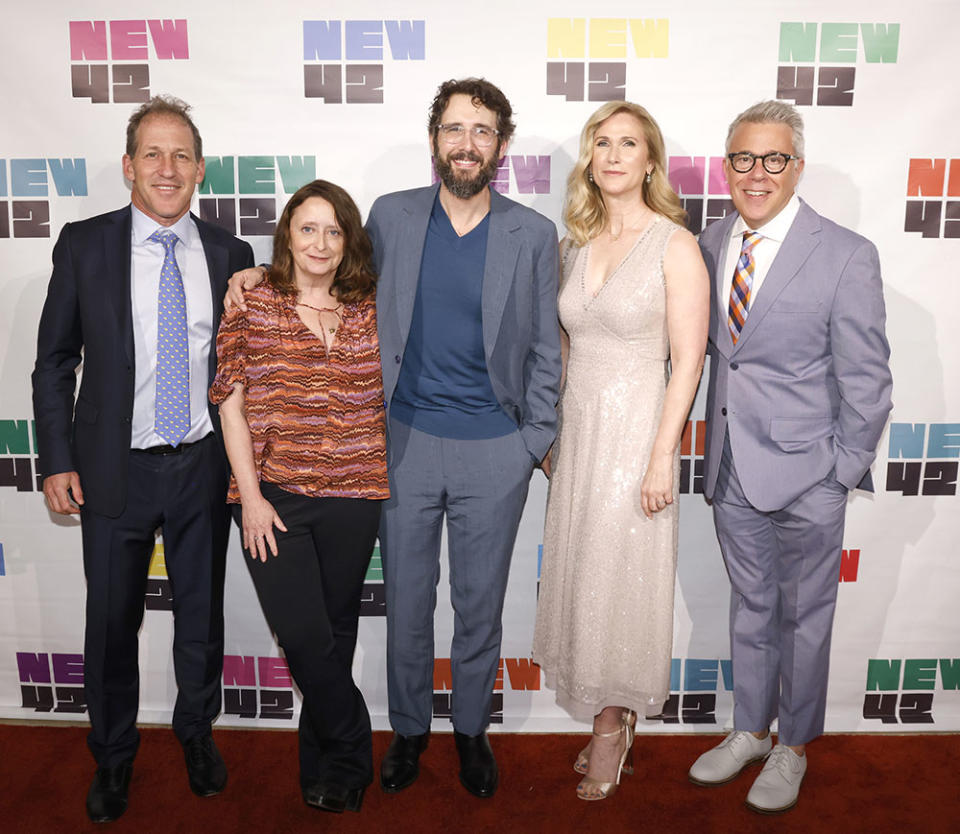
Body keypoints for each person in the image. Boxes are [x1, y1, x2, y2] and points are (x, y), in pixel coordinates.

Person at [226, 77, 561, 799]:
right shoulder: (392, 216)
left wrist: (529, 442)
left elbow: (545, 350)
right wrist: (256, 270)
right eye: (453, 128)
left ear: (500, 145)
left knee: (479, 604)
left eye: (481, 130)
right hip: (399, 446)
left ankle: (470, 730)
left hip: (494, 452)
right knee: (408, 599)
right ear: (434, 139)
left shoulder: (531, 235)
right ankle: (410, 730)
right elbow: (326, 272)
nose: (465, 143)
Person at [31, 96, 254, 823]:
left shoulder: (231, 255)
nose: (167, 168)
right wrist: (58, 457)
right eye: (153, 154)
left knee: (202, 618)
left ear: (200, 170)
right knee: (110, 623)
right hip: (112, 469)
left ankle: (196, 734)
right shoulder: (85, 244)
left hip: (200, 465)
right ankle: (114, 755)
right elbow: (55, 361)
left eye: (182, 155)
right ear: (129, 167)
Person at [687, 100, 892, 814]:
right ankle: (749, 727)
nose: (757, 172)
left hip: (810, 474)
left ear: (796, 166)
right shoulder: (707, 243)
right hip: (731, 468)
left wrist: (839, 472)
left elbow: (868, 381)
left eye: (774, 158)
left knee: (804, 616)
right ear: (727, 166)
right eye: (743, 158)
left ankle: (793, 745)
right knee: (750, 608)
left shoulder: (845, 253)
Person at [531, 102, 709, 801]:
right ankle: (609, 715)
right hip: (580, 434)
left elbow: (688, 360)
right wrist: (552, 433)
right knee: (587, 579)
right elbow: (568, 344)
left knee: (622, 579)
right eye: (601, 142)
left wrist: (663, 455)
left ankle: (611, 725)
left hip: (638, 432)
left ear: (649, 161)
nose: (612, 155)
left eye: (627, 143)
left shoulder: (675, 245)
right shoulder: (575, 242)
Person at [211, 180, 388, 814]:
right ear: (287, 234)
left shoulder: (371, 306)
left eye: (334, 230)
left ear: (349, 243)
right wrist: (252, 498)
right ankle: (353, 750)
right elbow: (230, 406)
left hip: (356, 494)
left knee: (335, 632)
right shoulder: (254, 304)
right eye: (308, 228)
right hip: (274, 498)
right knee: (306, 637)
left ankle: (325, 771)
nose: (320, 242)